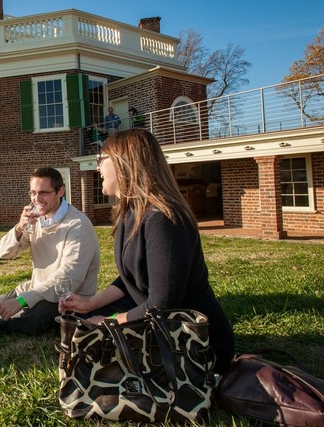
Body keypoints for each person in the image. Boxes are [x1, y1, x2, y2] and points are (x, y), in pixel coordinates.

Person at [60, 129, 235, 373]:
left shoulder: (164, 219)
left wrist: (110, 322)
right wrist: (91, 303)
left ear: (125, 163)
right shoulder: (130, 214)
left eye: (102, 159)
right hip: (160, 329)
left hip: (195, 344)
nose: (97, 167)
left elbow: (161, 304)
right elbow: (132, 278)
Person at [0, 167, 100, 335]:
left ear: (60, 191)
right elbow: (5, 253)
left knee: (28, 320)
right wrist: (19, 228)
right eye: (33, 193)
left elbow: (69, 278)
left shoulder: (77, 224)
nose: (36, 199)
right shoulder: (37, 219)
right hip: (33, 290)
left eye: (43, 193)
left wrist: (22, 300)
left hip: (67, 300)